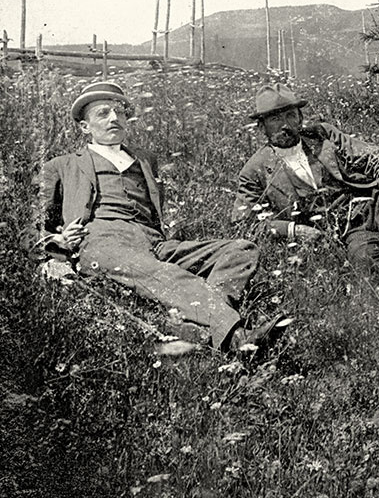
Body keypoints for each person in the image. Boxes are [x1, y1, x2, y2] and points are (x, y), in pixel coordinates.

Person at [39, 81, 282, 356]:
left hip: (154, 241)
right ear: (85, 127)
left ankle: (200, 328)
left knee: (241, 250)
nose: (114, 118)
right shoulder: (62, 165)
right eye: (103, 113)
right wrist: (55, 241)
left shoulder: (145, 160)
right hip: (102, 241)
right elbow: (33, 224)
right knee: (163, 273)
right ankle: (237, 337)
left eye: (120, 112)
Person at [232, 84, 379, 276]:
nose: (285, 125)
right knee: (367, 265)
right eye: (275, 119)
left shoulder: (324, 135)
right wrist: (293, 230)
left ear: (300, 118)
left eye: (290, 115)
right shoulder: (254, 170)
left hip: (378, 206)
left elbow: (375, 157)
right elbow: (245, 223)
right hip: (350, 229)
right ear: (261, 126)